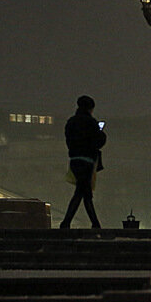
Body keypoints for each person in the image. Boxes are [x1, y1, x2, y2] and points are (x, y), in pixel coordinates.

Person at [60, 95, 106, 229]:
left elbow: (69, 141)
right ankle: (67, 222)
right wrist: (101, 133)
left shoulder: (71, 122)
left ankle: (94, 223)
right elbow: (99, 141)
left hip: (74, 160)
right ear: (90, 108)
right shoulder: (91, 123)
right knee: (82, 193)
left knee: (84, 193)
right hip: (87, 161)